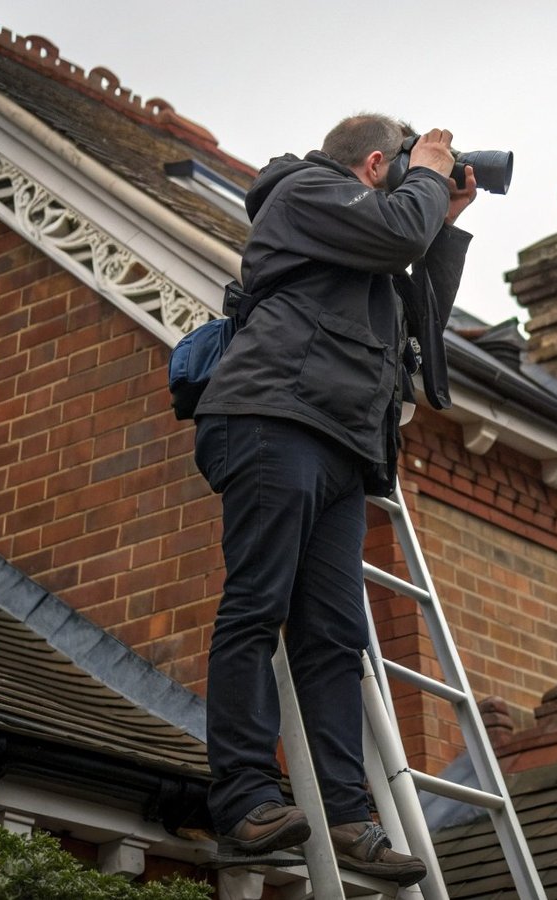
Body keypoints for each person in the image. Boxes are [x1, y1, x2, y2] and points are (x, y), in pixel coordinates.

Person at [191, 113, 476, 884]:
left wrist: (442, 221)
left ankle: (349, 818)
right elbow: (395, 237)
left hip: (344, 446)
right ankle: (246, 797)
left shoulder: (378, 237)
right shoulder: (304, 191)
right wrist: (426, 180)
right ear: (379, 163)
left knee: (335, 638)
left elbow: (423, 325)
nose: (428, 173)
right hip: (273, 416)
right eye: (412, 165)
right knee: (257, 604)